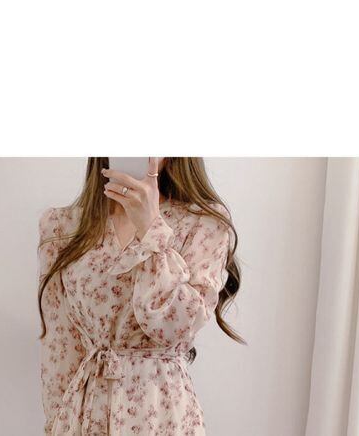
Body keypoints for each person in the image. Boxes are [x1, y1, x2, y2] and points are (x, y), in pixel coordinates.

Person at [38, 157, 241, 433]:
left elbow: (175, 327)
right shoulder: (62, 226)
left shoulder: (203, 223)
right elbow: (60, 345)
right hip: (85, 416)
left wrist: (151, 228)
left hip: (161, 417)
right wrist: (55, 425)